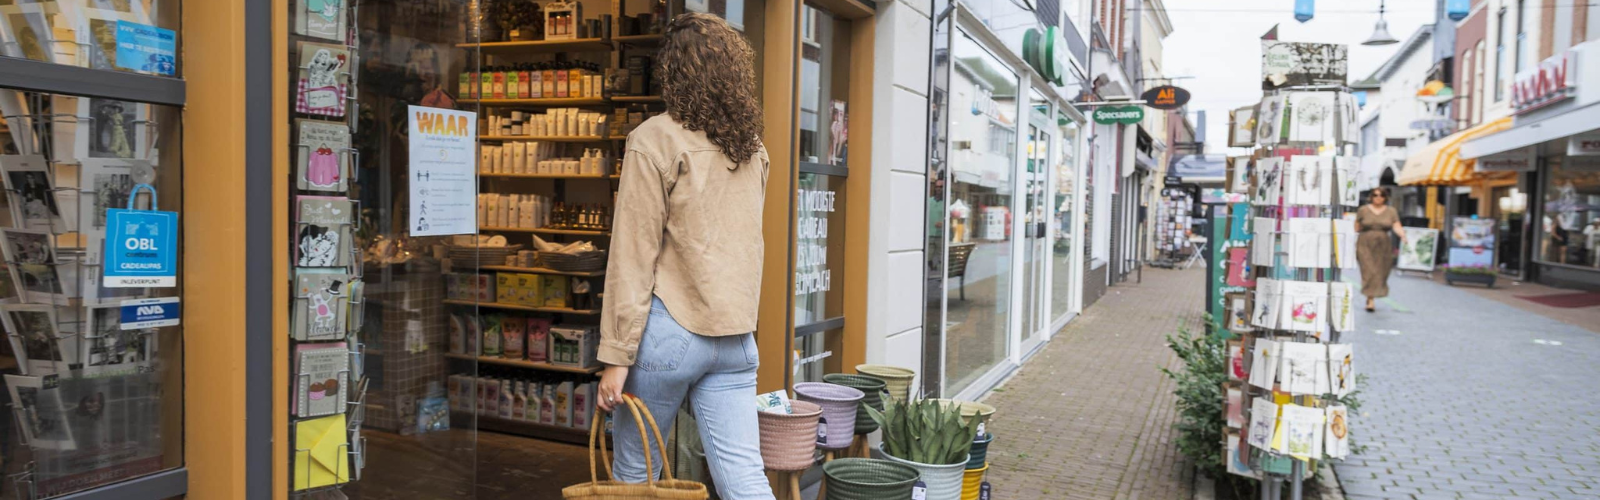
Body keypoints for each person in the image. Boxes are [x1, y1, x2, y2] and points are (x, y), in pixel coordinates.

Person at [594, 13, 773, 500]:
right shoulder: (751, 148)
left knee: (637, 476)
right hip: (735, 338)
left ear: (672, 71)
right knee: (745, 477)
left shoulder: (654, 138)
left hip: (669, 333)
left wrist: (615, 357)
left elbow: (632, 255)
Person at [1355, 187, 1406, 312]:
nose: (1378, 198)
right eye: (1375, 195)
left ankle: (1371, 295)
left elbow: (1396, 225)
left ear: (1385, 197)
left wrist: (1403, 236)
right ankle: (1370, 299)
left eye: (1381, 195)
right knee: (1369, 270)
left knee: (1381, 271)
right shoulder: (1363, 210)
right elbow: (1357, 226)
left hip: (1383, 244)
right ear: (1371, 197)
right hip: (1365, 242)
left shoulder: (1391, 211)